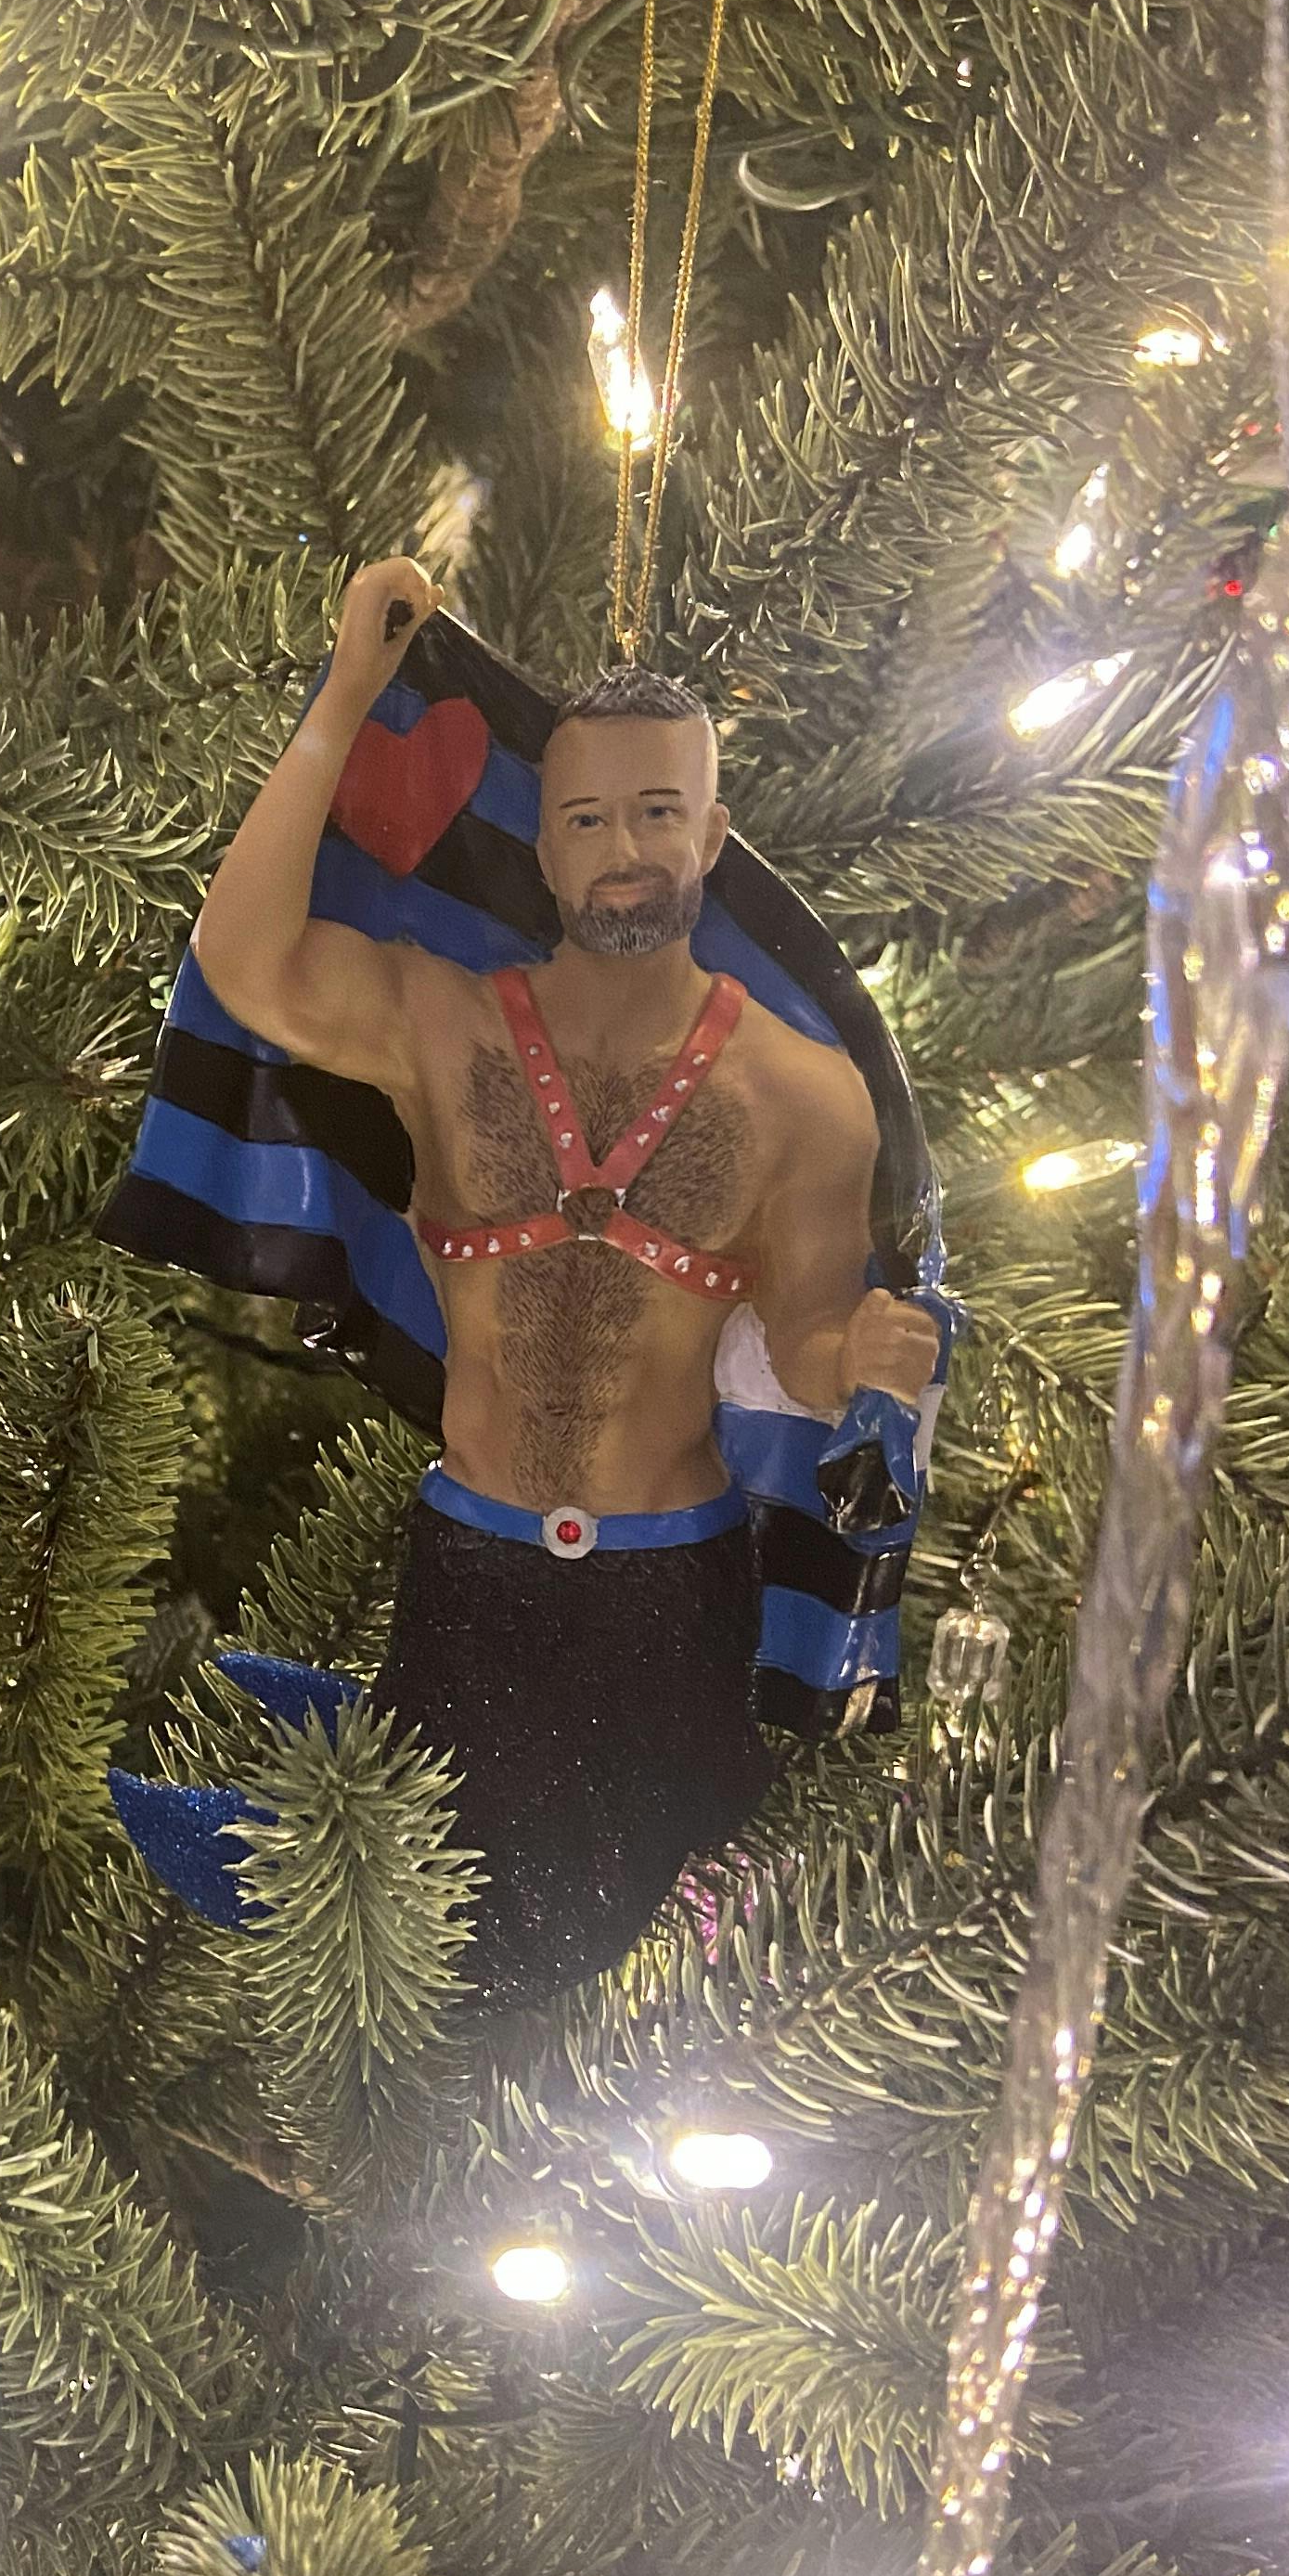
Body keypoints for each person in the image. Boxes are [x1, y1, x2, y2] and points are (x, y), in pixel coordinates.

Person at [187, 556, 943, 2007]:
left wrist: (861, 1359)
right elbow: (248, 960)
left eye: (659, 811)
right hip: (469, 1571)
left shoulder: (806, 1094)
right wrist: (345, 698)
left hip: (675, 1588)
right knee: (428, 1958)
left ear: (712, 833)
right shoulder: (444, 1023)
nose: (623, 848)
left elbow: (796, 1336)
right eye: (587, 817)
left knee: (653, 1980)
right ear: (539, 848)